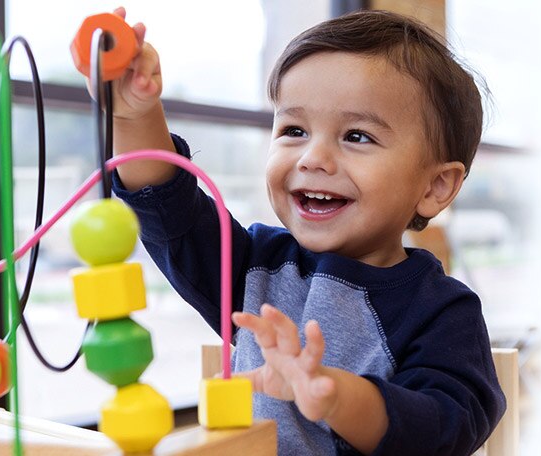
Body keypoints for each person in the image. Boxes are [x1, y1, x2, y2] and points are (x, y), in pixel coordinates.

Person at [96, 6, 506, 455]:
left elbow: (444, 430)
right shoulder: (258, 266)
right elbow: (168, 206)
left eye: (356, 136)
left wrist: (332, 393)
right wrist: (133, 116)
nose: (313, 158)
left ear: (434, 186)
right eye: (294, 129)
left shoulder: (443, 312)